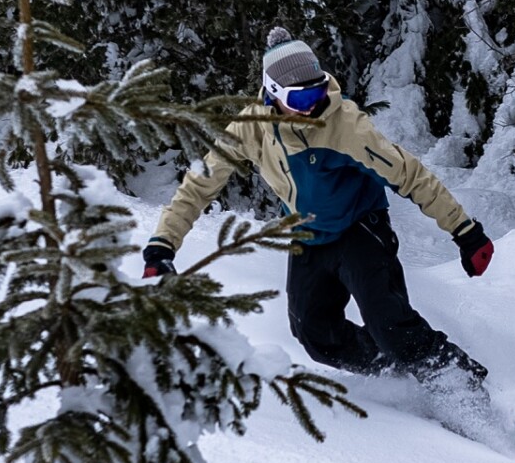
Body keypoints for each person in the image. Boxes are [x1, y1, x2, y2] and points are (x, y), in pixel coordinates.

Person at [143, 27, 495, 396]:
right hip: (308, 236)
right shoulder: (250, 129)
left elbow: (409, 175)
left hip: (360, 227)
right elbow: (200, 184)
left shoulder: (345, 126)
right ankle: (396, 373)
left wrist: (465, 231)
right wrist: (162, 244)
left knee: (387, 322)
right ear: (273, 95)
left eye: (318, 89)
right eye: (302, 97)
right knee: (313, 332)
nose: (314, 103)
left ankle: (459, 383)